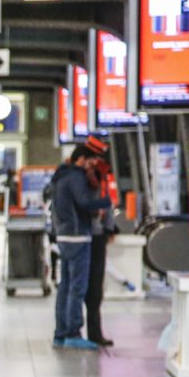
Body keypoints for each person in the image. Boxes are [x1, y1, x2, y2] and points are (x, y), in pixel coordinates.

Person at [49, 146, 112, 351]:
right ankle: (73, 333)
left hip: (64, 236)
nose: (93, 164)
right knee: (77, 287)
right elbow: (84, 203)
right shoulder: (76, 177)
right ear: (81, 159)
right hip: (78, 236)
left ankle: (60, 333)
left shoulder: (60, 176)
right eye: (91, 160)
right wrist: (106, 201)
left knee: (65, 287)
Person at [84, 137, 117, 347]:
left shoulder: (100, 175)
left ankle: (94, 332)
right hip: (90, 236)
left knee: (95, 287)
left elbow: (108, 202)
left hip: (97, 234)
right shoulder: (86, 177)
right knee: (90, 287)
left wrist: (110, 227)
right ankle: (90, 332)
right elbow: (99, 203)